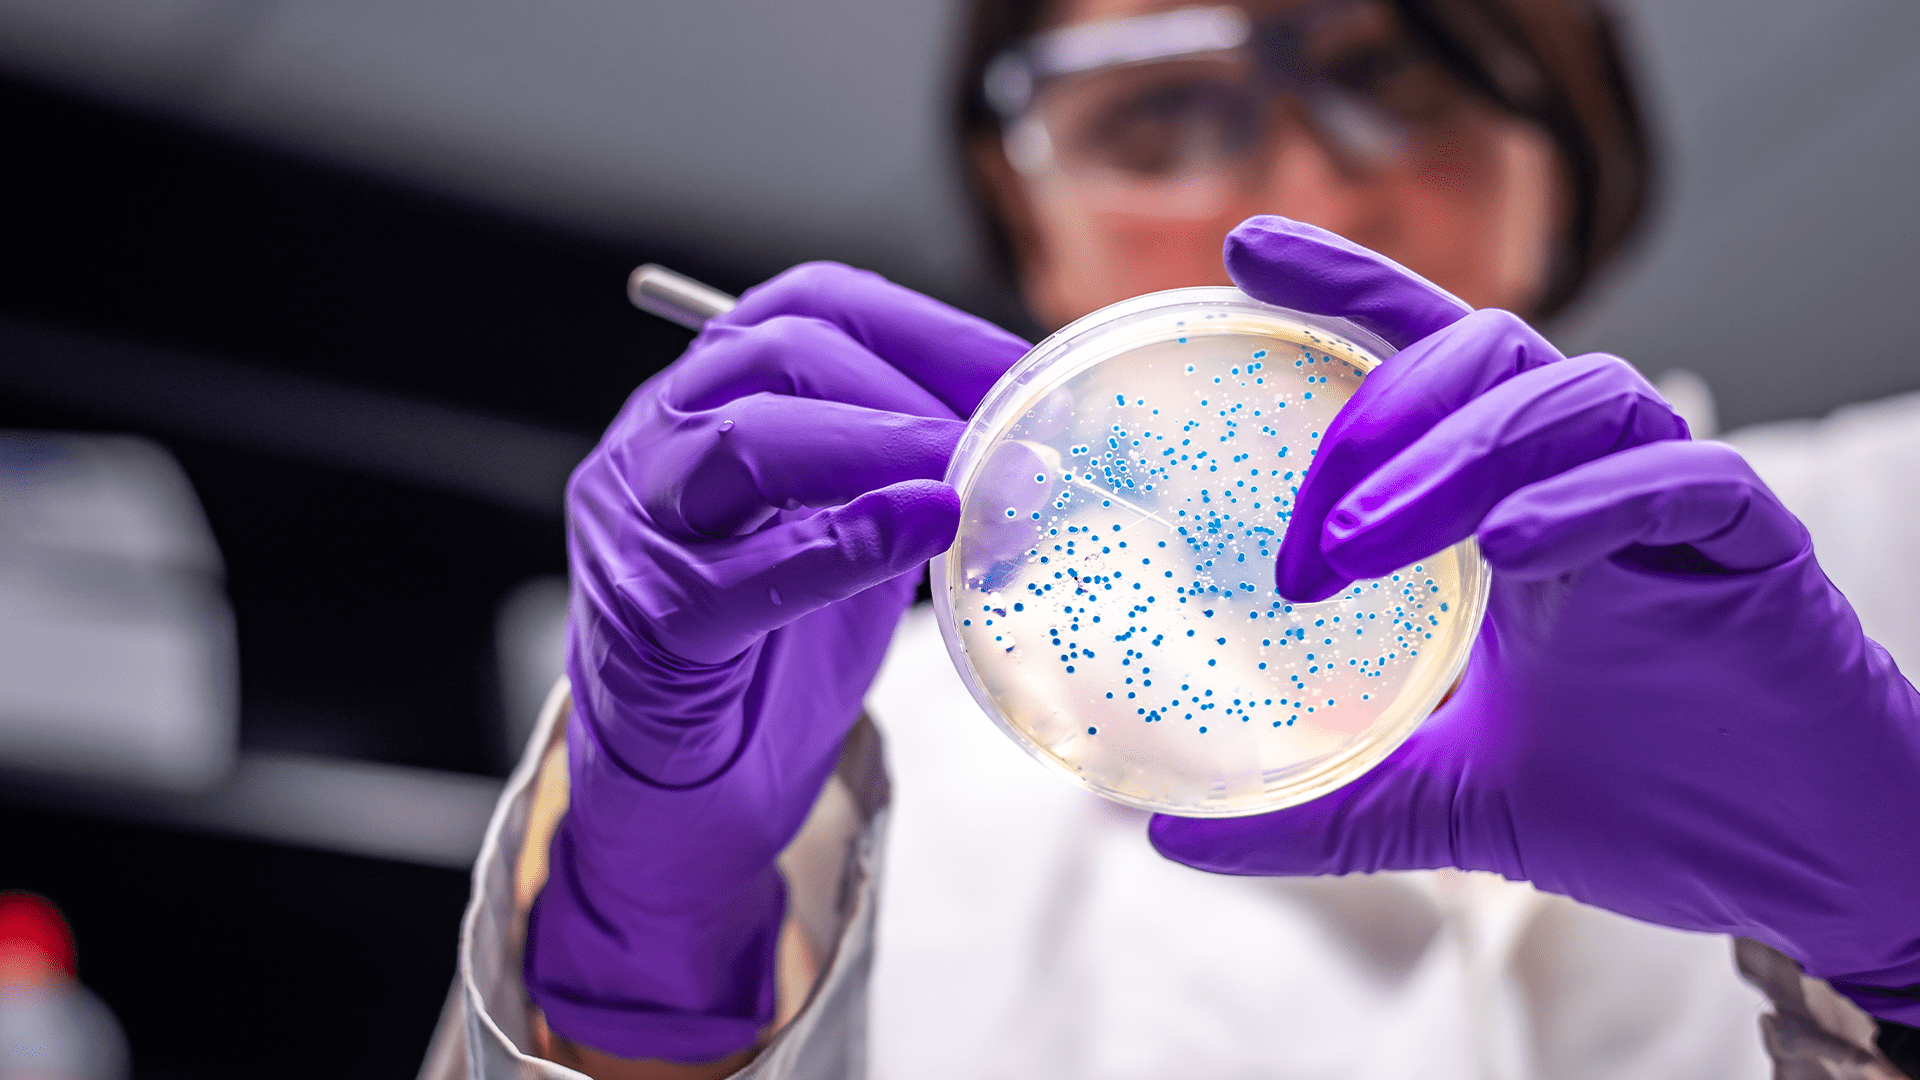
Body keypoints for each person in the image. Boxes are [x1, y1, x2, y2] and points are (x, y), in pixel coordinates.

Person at [418, 1, 1920, 1077]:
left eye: (1400, 71)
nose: (1308, 185)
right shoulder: (853, 725)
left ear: (1569, 138)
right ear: (1029, 201)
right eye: (1153, 111)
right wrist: (656, 954)